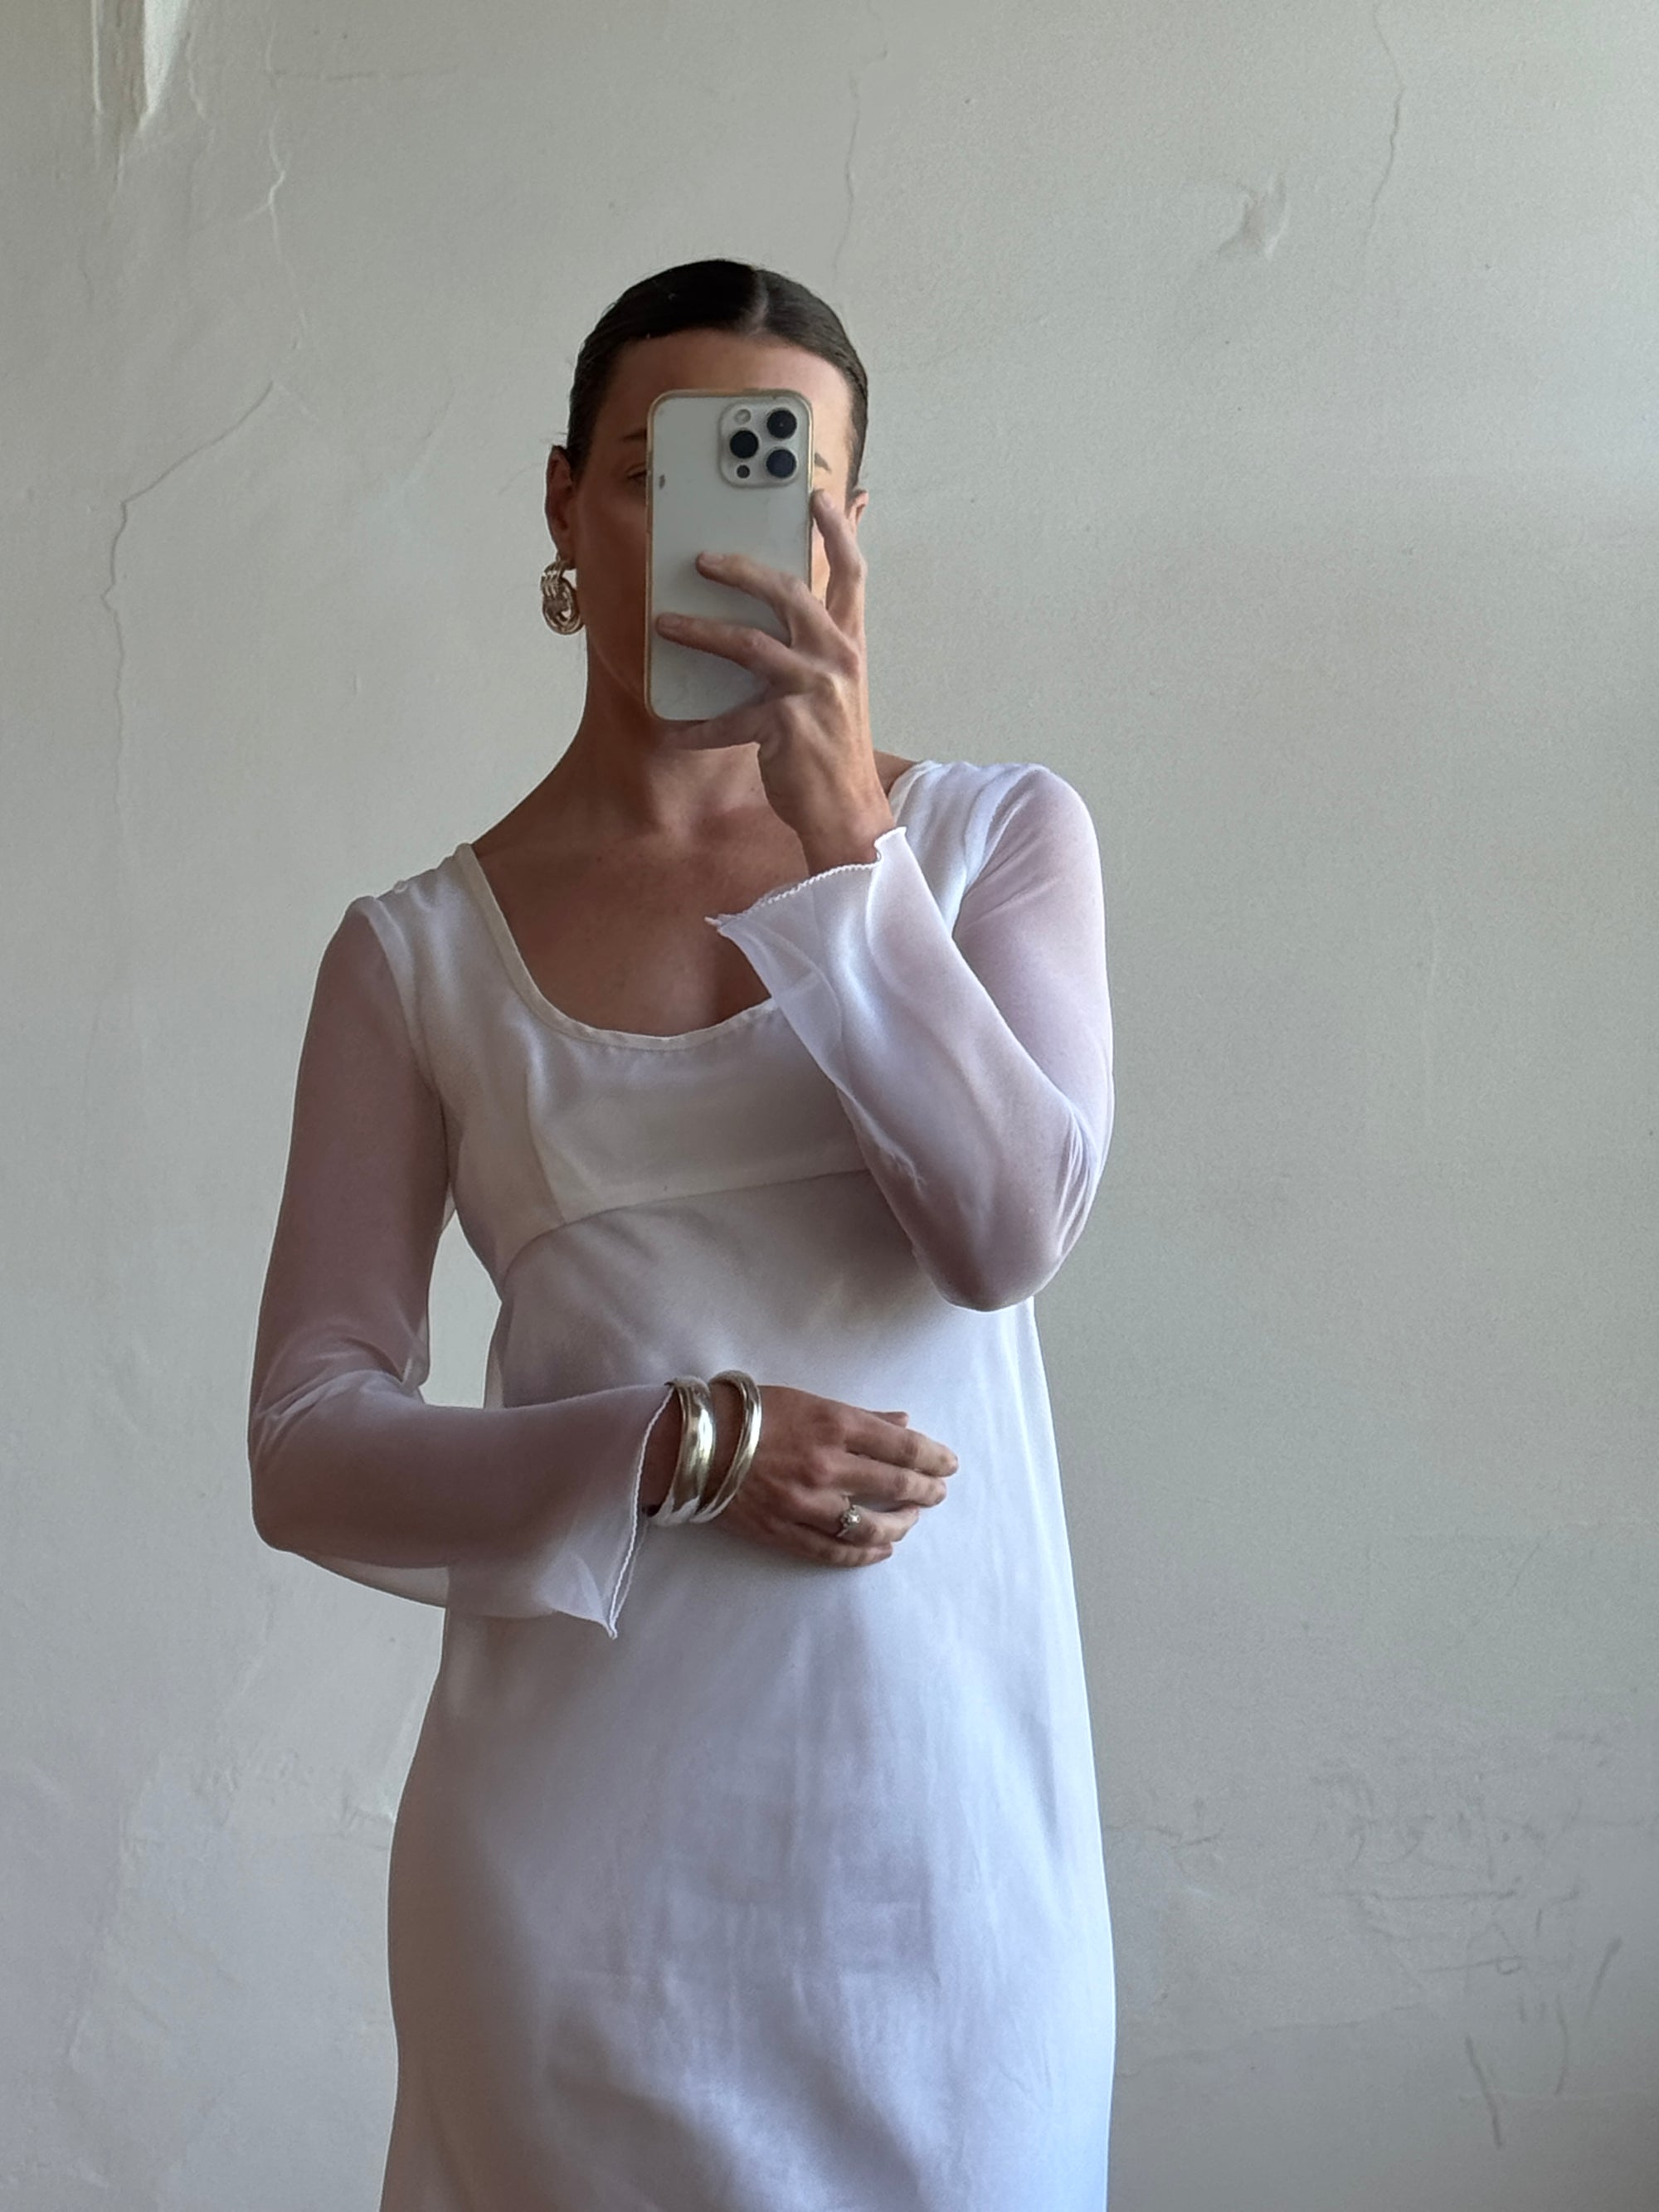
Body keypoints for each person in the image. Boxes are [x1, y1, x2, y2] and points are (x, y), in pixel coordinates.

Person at [248, 256, 1117, 2212]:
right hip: (572, 1897)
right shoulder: (414, 953)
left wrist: (843, 843)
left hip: (947, 1879)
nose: (718, 533)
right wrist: (685, 1439)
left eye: (773, 475)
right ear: (566, 505)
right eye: (658, 472)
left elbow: (1001, 1232)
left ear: (847, 528)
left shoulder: (995, 844)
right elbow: (305, 1443)